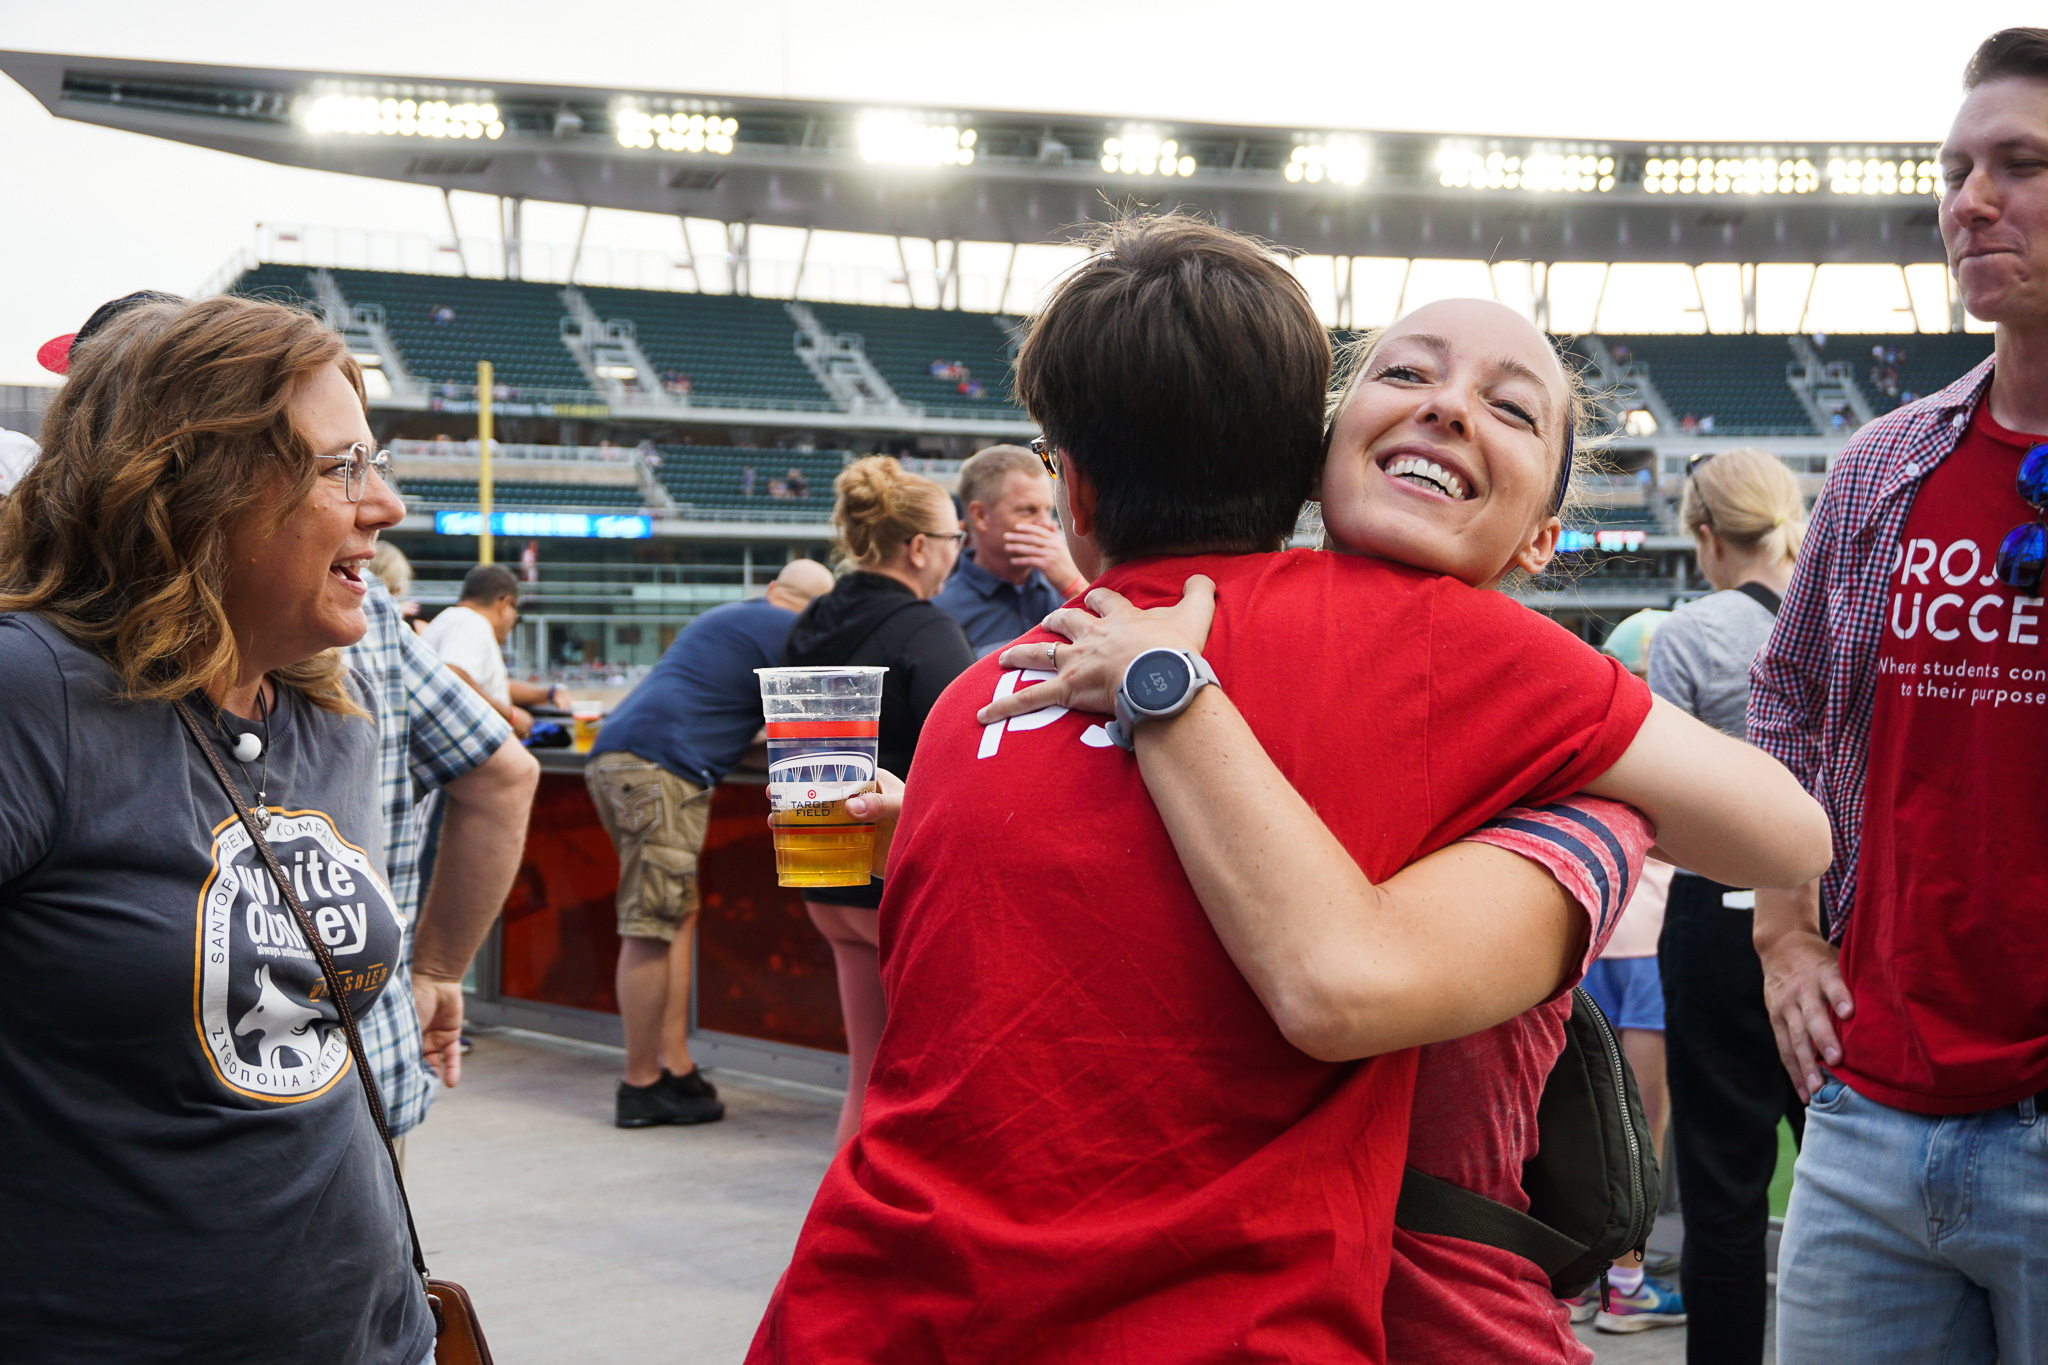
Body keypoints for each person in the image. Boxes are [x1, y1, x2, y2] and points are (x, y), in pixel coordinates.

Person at [749, 218, 1829, 1362]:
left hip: (857, 1309)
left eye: (1508, 407)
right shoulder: (1433, 642)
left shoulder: (987, 694)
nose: (1449, 406)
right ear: (1305, 455)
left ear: (1070, 492)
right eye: (1404, 373)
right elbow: (1787, 835)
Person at [0, 294, 432, 1361]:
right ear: (196, 490)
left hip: (374, 1334)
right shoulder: (33, 694)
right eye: (340, 468)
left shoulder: (329, 720)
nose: (385, 503)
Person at [1752, 29, 2048, 1362]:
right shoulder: (1884, 467)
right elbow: (1789, 701)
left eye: (2021, 165)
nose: (1970, 200)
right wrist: (1781, 935)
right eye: (1956, 169)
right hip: (1871, 1114)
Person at [1649, 449, 1806, 1363]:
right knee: (1845, 1171)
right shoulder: (1843, 616)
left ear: (1705, 536)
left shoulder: (1690, 634)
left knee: (1721, 1190)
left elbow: (1659, 807)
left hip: (1717, 915)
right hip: (1834, 916)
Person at [586, 558, 837, 1128]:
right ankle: (641, 1085)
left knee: (674, 914)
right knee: (652, 923)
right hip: (659, 772)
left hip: (627, 760)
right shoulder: (791, 630)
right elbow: (821, 721)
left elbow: (735, 728)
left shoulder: (731, 619)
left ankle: (674, 1066)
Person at [779, 457, 974, 1147]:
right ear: (920, 548)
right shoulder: (927, 631)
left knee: (866, 1076)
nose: (958, 556)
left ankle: (846, 1209)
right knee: (923, 1081)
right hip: (890, 876)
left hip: (821, 869)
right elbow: (964, 752)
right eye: (955, 541)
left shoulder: (817, 616)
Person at [346, 577, 538, 1149]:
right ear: (504, 604)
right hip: (368, 1074)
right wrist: (436, 971)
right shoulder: (368, 601)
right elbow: (505, 773)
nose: (386, 506)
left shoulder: (374, 604)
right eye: (343, 478)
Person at [1574, 607, 1683, 1334]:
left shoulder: (1593, 733)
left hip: (1590, 948)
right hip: (1641, 952)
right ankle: (1625, 1281)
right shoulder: (1675, 747)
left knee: (1588, 1118)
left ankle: (1589, 1277)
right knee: (1640, 1119)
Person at [932, 443, 1089, 655]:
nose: (1046, 524)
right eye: (1028, 510)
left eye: (1048, 511)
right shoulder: (940, 610)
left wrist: (1075, 587)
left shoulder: (1067, 590)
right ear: (980, 516)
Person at [420, 563, 573, 738]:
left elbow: (494, 686)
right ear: (505, 604)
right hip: (459, 750)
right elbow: (453, 675)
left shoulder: (450, 620)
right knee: (527, 766)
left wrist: (549, 692)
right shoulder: (471, 622)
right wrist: (511, 716)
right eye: (517, 615)